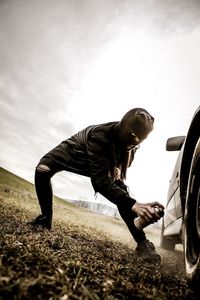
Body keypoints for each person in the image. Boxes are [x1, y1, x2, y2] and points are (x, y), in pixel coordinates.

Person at [30, 107, 164, 262]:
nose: (139, 144)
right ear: (131, 134)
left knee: (120, 189)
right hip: (75, 150)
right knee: (43, 169)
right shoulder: (100, 136)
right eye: (139, 140)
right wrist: (133, 204)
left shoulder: (131, 144)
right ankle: (45, 219)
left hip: (100, 159)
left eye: (142, 141)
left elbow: (120, 162)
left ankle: (142, 243)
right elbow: (100, 181)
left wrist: (118, 169)